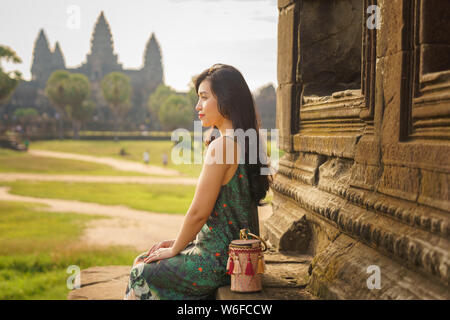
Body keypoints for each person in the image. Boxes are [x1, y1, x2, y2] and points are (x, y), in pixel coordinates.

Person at [124, 64, 273, 300]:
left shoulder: (222, 146)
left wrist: (175, 249)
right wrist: (181, 242)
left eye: (204, 98)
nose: (198, 106)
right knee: (146, 258)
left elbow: (198, 212)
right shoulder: (246, 141)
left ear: (226, 100)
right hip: (238, 258)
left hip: (217, 263)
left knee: (140, 271)